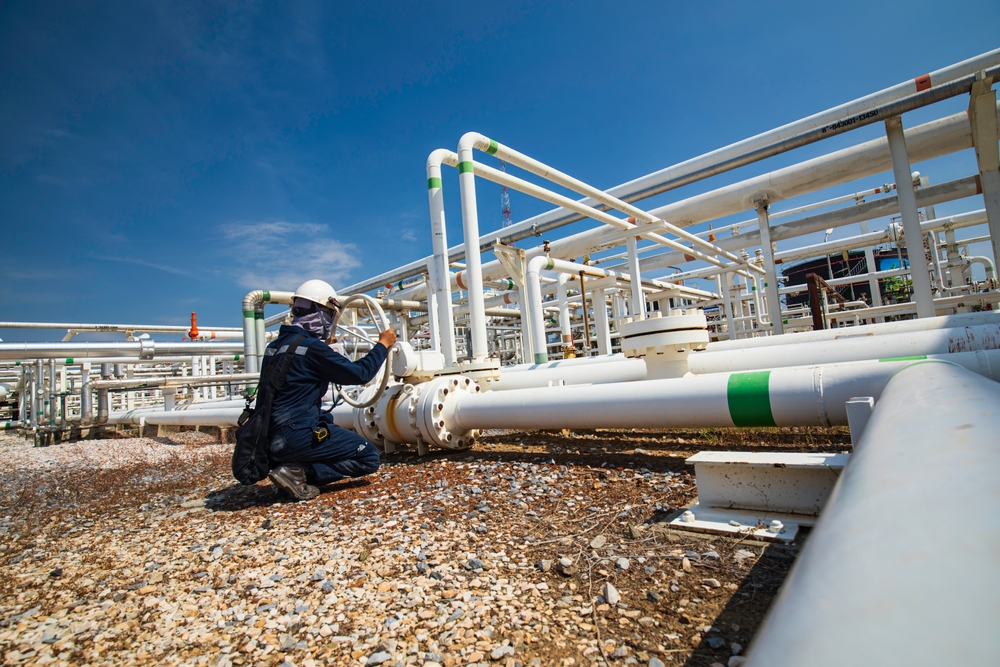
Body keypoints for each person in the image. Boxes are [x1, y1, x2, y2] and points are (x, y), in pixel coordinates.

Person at [257, 279, 396, 501]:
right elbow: (361, 374)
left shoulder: (274, 347)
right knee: (369, 458)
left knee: (327, 419)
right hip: (296, 435)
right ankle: (298, 473)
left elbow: (299, 374)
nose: (330, 322)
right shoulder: (312, 349)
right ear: (321, 314)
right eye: (330, 315)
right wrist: (383, 346)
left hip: (267, 439)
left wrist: (326, 350)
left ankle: (289, 468)